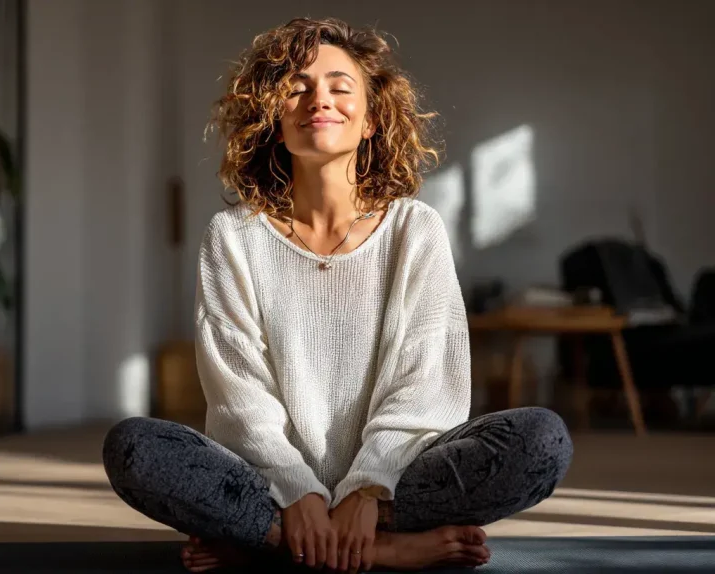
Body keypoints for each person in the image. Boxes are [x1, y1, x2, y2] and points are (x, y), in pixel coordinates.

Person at [103, 16, 572, 573]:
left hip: (396, 480)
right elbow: (240, 396)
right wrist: (298, 491)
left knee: (542, 441)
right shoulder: (233, 237)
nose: (317, 99)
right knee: (133, 447)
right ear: (275, 122)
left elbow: (425, 385)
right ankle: (366, 549)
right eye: (296, 89)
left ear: (371, 119)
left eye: (339, 87)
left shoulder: (414, 229)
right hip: (269, 480)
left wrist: (368, 490)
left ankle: (274, 543)